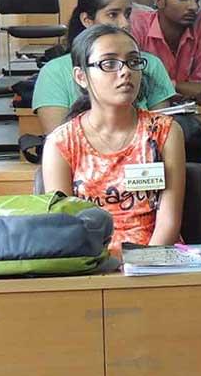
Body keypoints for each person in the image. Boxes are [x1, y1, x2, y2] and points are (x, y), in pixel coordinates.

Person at [41, 25, 185, 252]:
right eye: (109, 63)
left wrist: (143, 266)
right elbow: (66, 227)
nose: (125, 71)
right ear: (81, 77)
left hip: (157, 260)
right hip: (90, 262)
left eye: (133, 61)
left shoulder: (164, 132)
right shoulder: (60, 142)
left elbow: (168, 223)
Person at [34, 0, 176, 134]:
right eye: (113, 15)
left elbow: (160, 135)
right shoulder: (55, 71)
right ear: (87, 20)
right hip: (79, 157)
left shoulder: (150, 64)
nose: (125, 23)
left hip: (143, 156)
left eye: (127, 14)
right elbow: (59, 140)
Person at [130, 0, 201, 103]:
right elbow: (134, 84)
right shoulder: (138, 23)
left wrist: (161, 86)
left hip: (191, 111)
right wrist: (179, 86)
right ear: (159, 0)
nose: (194, 6)